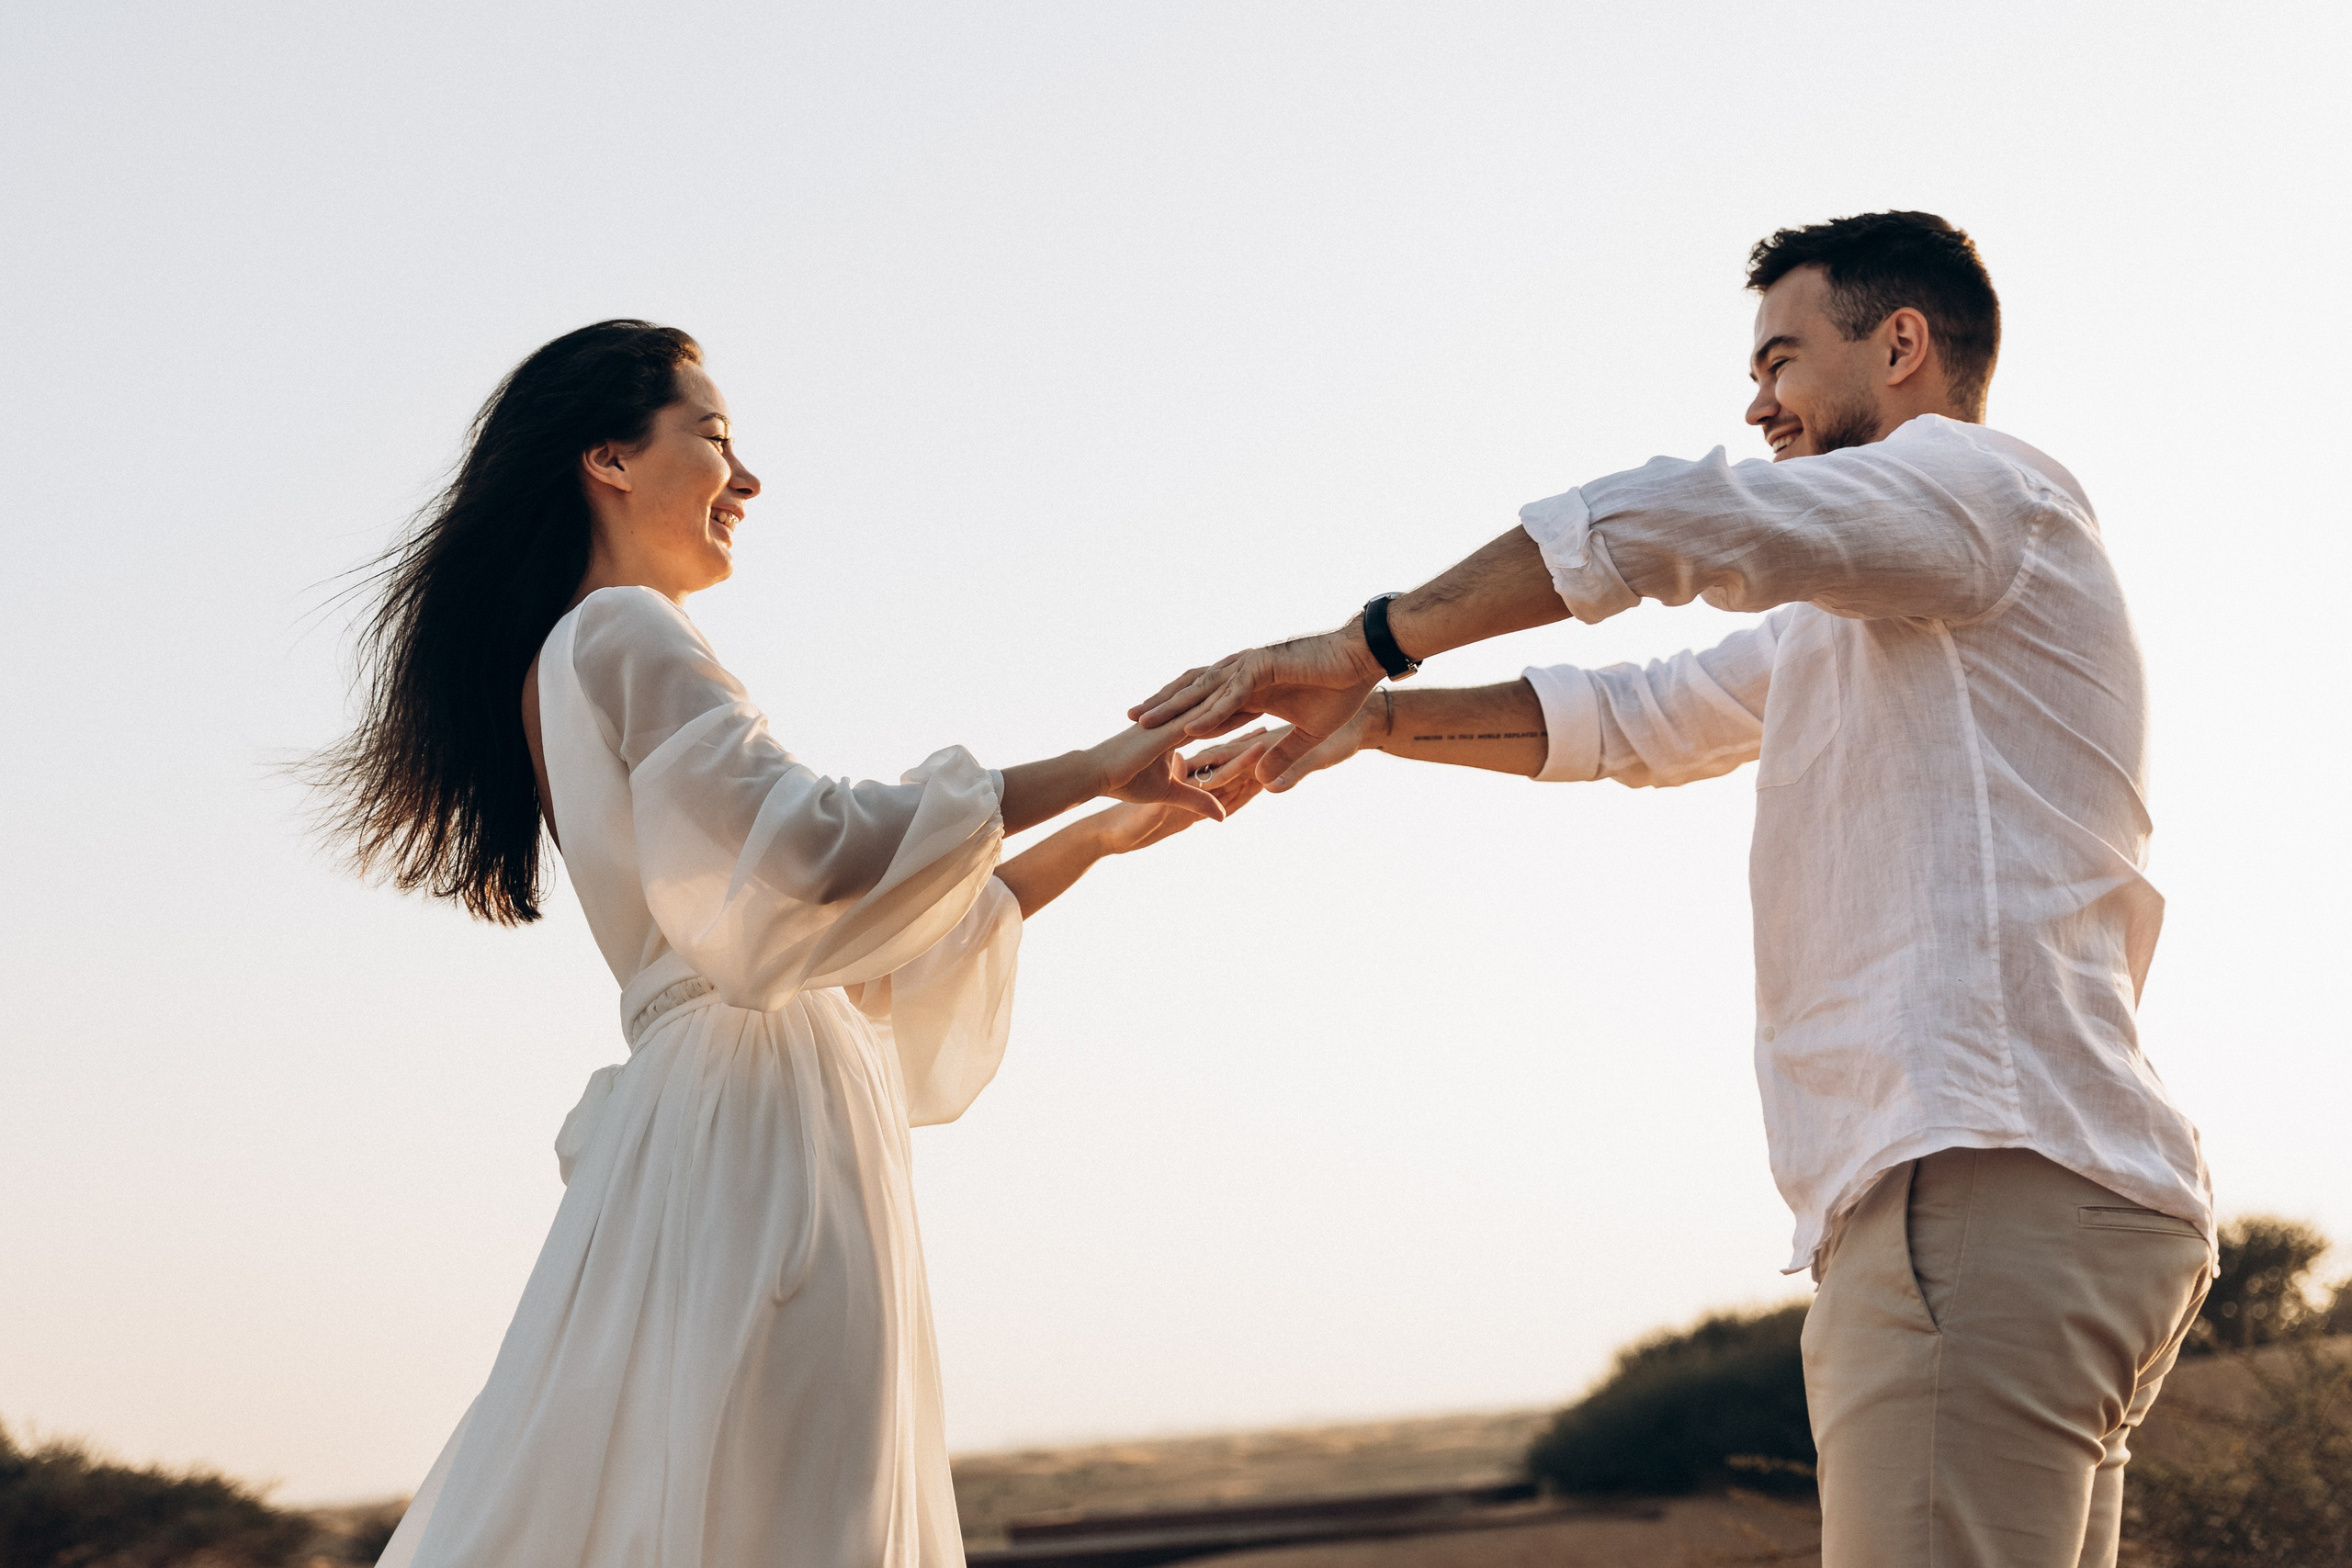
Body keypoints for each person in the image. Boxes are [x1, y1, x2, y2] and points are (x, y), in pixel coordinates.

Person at [1134, 212, 2213, 1567]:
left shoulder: (1981, 491)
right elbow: (1641, 719)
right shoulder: (1893, 603)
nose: (1756, 403)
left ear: (1901, 346)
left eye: (1781, 361)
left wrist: (1371, 641)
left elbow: (1671, 525)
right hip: (2055, 1202)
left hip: (1977, 1188)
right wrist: (1371, 724)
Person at [314, 320, 1265, 1568]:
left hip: (737, 1107)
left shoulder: (568, 661)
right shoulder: (621, 633)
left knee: (729, 1501)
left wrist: (1096, 834)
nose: (747, 483)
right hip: (762, 1123)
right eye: (712, 439)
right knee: (799, 1511)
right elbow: (813, 844)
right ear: (607, 456)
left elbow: (851, 958)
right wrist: (1086, 767)